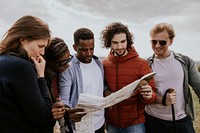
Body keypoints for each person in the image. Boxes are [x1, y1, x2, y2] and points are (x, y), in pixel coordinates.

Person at [100, 22, 157, 133]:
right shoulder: (105, 64)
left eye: (123, 42)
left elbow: (153, 95)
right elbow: (102, 87)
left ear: (128, 40)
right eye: (115, 43)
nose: (120, 46)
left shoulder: (141, 64)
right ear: (109, 43)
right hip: (111, 123)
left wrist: (148, 95)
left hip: (135, 123)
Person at [145, 22, 200, 133]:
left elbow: (198, 86)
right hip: (153, 120)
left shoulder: (185, 61)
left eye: (162, 42)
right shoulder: (145, 64)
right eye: (153, 42)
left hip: (181, 120)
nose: (157, 46)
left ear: (171, 41)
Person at [0, 15, 52, 133]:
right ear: (24, 40)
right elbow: (43, 116)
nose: (42, 52)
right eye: (40, 46)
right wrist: (41, 77)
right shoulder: (21, 66)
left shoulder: (3, 60)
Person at [59, 28, 105, 133]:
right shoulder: (68, 68)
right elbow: (64, 99)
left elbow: (101, 89)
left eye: (92, 49)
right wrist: (68, 112)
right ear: (75, 47)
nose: (89, 53)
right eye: (84, 50)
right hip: (78, 128)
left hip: (99, 124)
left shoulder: (99, 64)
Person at [44, 37, 72, 133]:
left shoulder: (59, 73)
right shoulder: (41, 79)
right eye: (63, 62)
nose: (67, 65)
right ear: (49, 61)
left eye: (69, 59)